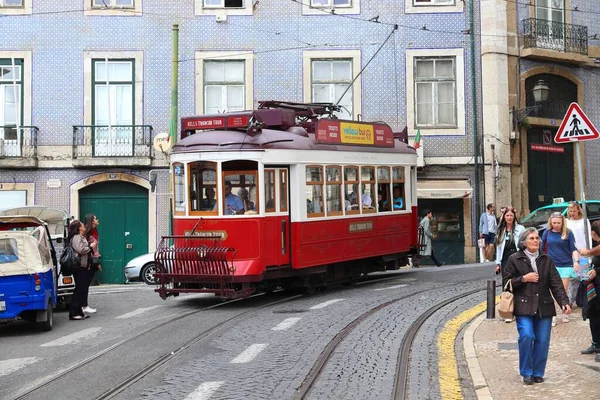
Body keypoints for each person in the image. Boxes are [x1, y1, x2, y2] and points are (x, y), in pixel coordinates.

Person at [503, 227, 571, 385]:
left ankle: (538, 372)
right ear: (524, 242)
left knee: (542, 340)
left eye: (537, 238)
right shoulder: (514, 259)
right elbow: (506, 285)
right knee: (527, 336)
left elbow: (556, 283)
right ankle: (526, 372)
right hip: (523, 306)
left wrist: (564, 302)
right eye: (532, 238)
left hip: (544, 306)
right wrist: (523, 279)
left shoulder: (546, 259)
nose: (535, 241)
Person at [541, 212, 578, 324]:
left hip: (566, 265)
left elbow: (573, 249)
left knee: (562, 291)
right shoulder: (546, 233)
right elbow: (542, 249)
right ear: (550, 222)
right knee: (552, 292)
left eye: (558, 223)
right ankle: (553, 315)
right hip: (551, 265)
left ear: (562, 222)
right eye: (554, 223)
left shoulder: (568, 233)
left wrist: (576, 261)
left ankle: (563, 313)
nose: (556, 225)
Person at [576, 220, 600, 361]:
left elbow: (589, 252)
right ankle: (596, 343)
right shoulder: (596, 245)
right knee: (594, 314)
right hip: (595, 286)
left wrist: (597, 270)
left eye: (592, 230)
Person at [68, 219, 97, 320]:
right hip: (80, 267)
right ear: (79, 228)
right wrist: (91, 246)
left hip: (84, 266)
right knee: (80, 290)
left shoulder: (81, 237)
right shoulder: (76, 237)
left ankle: (79, 312)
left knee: (82, 289)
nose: (84, 226)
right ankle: (74, 312)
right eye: (82, 224)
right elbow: (80, 249)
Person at [566, 201, 591, 304]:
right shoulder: (566, 222)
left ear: (578, 210)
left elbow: (588, 236)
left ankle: (582, 299)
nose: (572, 213)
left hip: (583, 251)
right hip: (570, 252)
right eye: (570, 211)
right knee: (571, 277)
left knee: (584, 276)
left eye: (574, 211)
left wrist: (588, 251)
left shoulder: (584, 221)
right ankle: (569, 300)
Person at [83, 214, 101, 314]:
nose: (97, 220)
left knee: (87, 284)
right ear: (91, 221)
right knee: (84, 284)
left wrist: (98, 262)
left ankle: (84, 304)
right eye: (95, 218)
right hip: (88, 261)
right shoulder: (86, 232)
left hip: (94, 260)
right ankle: (84, 305)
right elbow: (85, 247)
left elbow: (95, 249)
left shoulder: (94, 231)